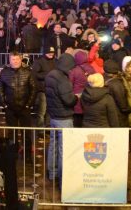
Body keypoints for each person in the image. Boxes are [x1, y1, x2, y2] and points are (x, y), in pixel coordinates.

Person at [45, 53, 78, 181]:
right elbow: (68, 100)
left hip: (53, 116)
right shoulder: (63, 79)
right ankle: (63, 177)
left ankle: (52, 173)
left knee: (53, 146)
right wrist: (76, 98)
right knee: (64, 148)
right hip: (64, 117)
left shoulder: (50, 75)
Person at [0, 51, 36, 158]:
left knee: (26, 133)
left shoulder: (28, 72)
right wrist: (4, 105)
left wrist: (28, 104)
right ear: (9, 60)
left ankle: (27, 156)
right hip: (10, 107)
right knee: (12, 132)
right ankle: (12, 154)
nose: (15, 61)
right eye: (13, 59)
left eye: (17, 59)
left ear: (21, 59)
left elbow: (33, 89)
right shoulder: (4, 72)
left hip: (25, 107)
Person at [31, 46, 56, 128]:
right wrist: (48, 75)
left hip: (52, 89)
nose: (51, 54)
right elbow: (35, 74)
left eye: (52, 53)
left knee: (50, 109)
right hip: (42, 89)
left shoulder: (55, 61)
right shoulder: (39, 61)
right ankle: (40, 129)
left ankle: (48, 126)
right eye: (49, 53)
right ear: (45, 52)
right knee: (42, 111)